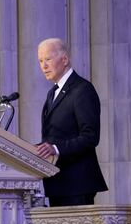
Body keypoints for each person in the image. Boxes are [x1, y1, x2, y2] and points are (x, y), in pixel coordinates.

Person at [34, 38, 107, 207]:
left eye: (48, 59)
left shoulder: (82, 89)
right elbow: (53, 136)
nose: (44, 66)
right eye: (40, 61)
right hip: (57, 182)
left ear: (65, 60)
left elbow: (90, 137)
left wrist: (56, 148)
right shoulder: (52, 93)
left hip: (77, 184)